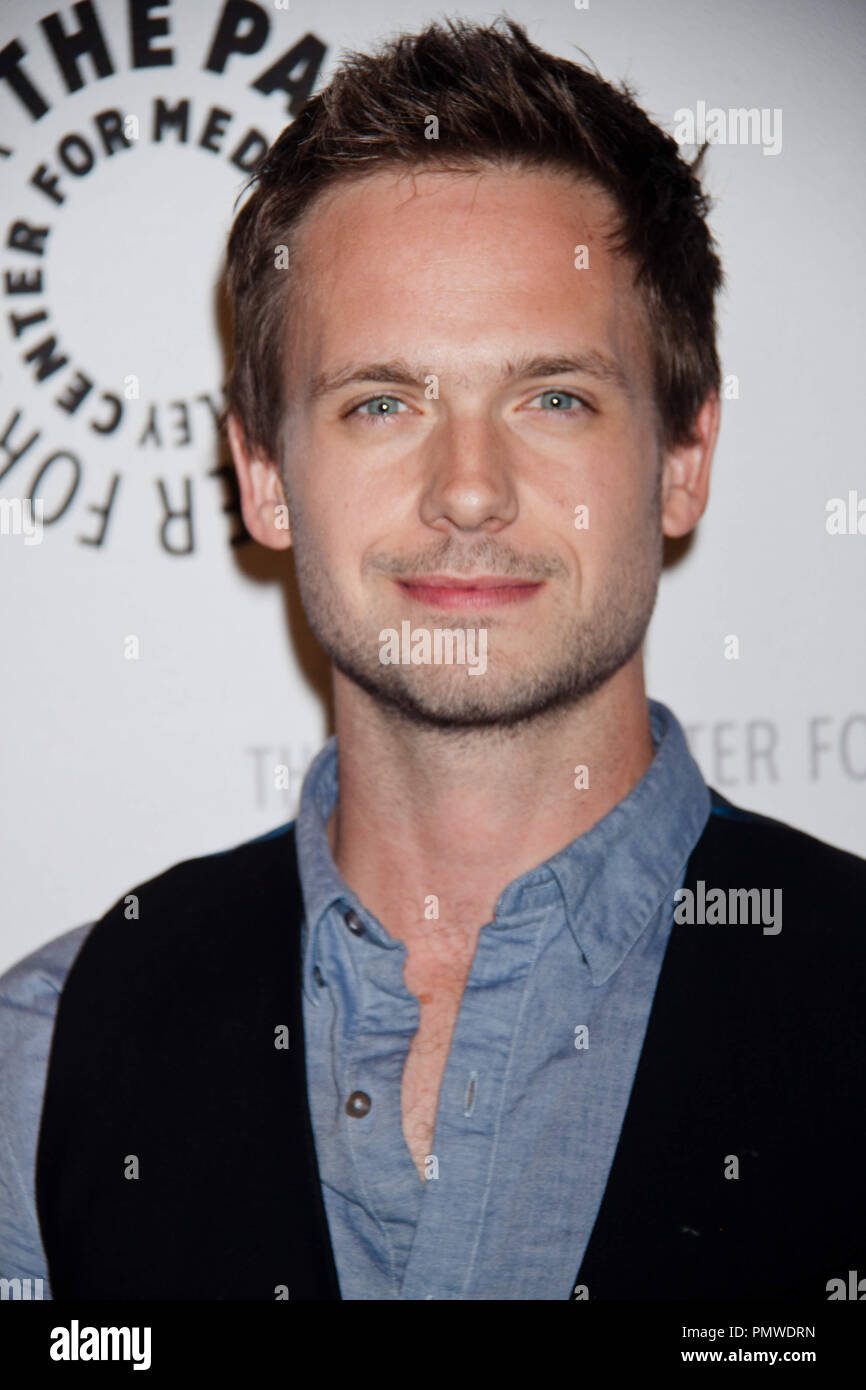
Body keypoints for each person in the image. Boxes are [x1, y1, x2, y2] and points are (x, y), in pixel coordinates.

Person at [1, 16, 864, 1302]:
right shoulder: (50, 1047)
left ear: (683, 457)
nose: (468, 490)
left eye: (552, 396)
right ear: (261, 475)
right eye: (382, 403)